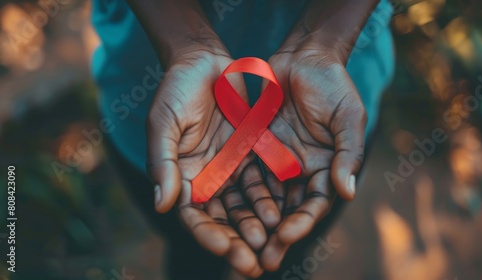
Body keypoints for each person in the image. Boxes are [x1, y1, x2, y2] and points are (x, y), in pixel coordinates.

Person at [91, 0, 395, 278]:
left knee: (288, 255)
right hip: (169, 124)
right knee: (191, 255)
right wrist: (186, 41)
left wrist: (325, 41)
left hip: (321, 124)